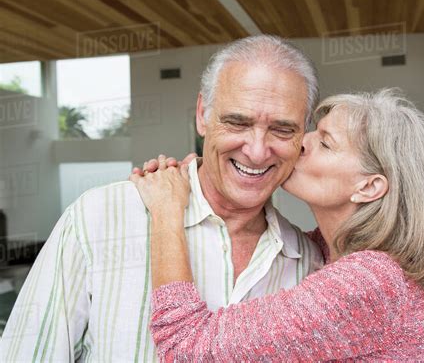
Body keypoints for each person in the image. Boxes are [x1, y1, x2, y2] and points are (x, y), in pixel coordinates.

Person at [0, 35, 324, 361]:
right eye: (237, 122)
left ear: (303, 135)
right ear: (202, 115)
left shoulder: (310, 267)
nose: (256, 151)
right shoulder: (98, 219)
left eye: (282, 130)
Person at [131, 89, 424, 361]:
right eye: (312, 131)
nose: (301, 142)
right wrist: (214, 176)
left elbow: (187, 348)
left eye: (326, 142)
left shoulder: (369, 281)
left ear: (368, 187)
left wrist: (167, 211)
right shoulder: (336, 252)